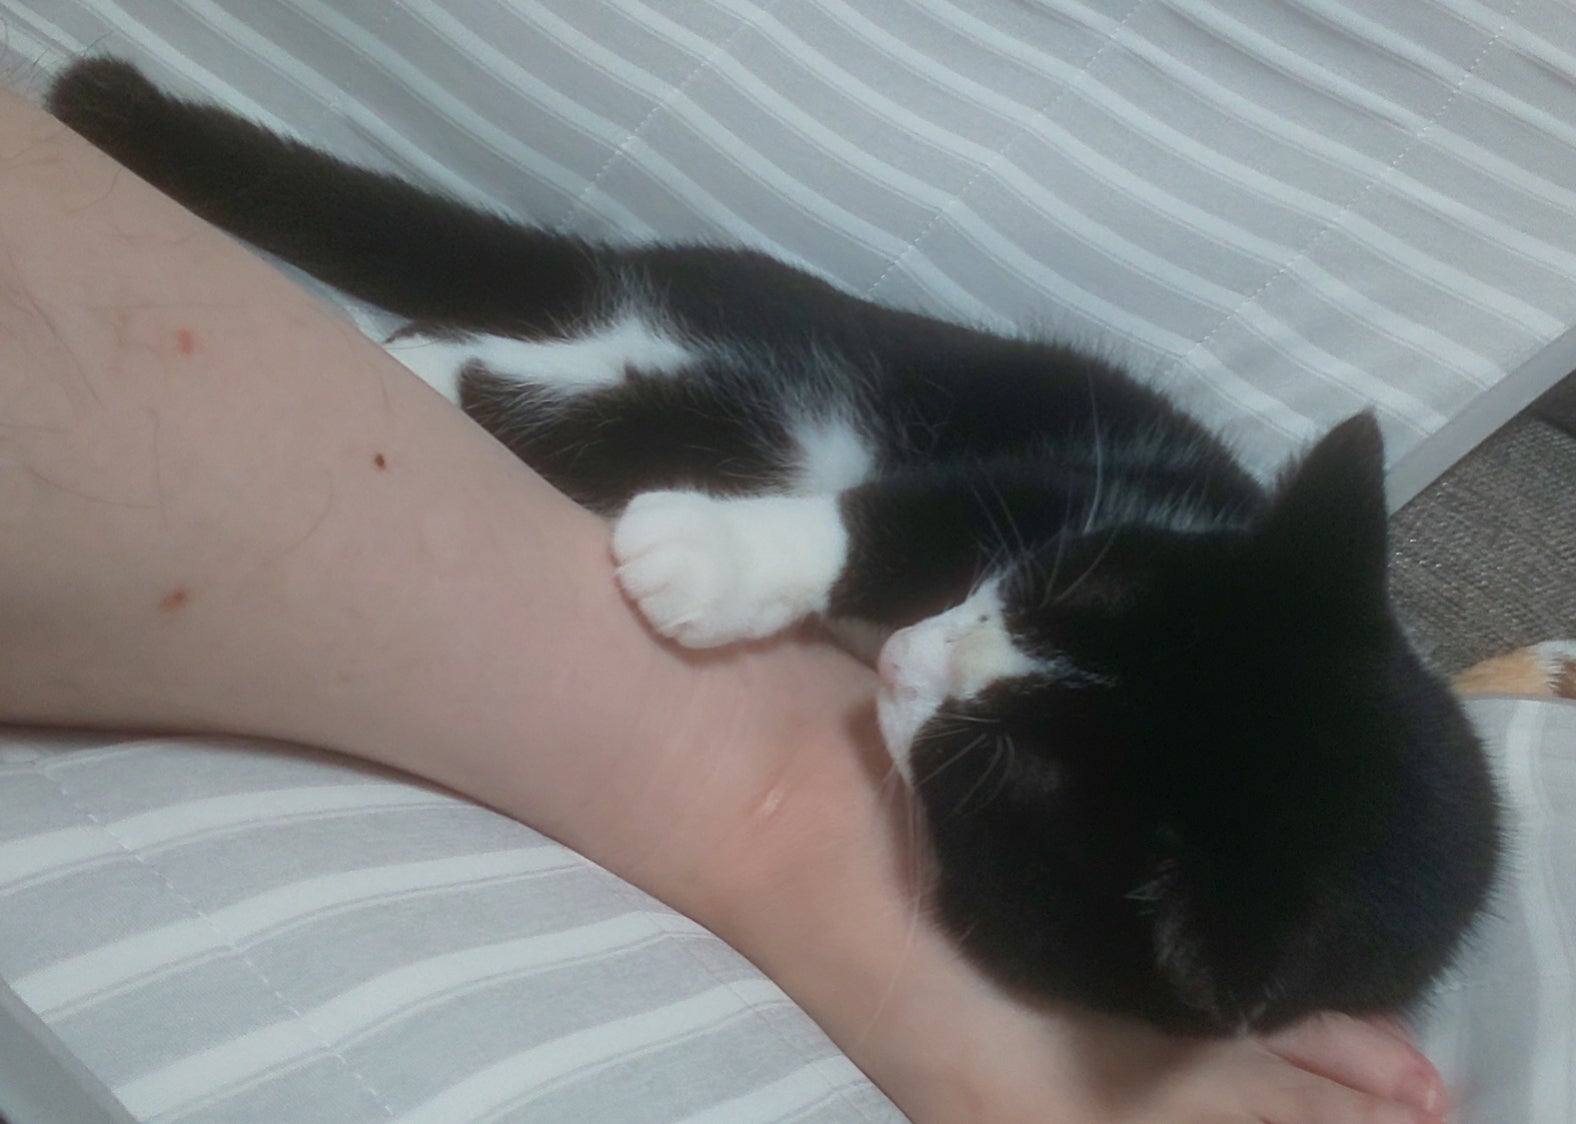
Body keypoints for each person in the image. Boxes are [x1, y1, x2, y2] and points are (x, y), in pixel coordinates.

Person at [0, 84, 1446, 1123]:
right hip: (921, 429)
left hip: (1072, 724)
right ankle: (750, 777)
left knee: (630, 400)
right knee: (604, 321)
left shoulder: (1246, 866)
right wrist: (802, 584)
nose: (917, 660)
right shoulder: (1229, 624)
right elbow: (979, 546)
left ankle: (483, 405)